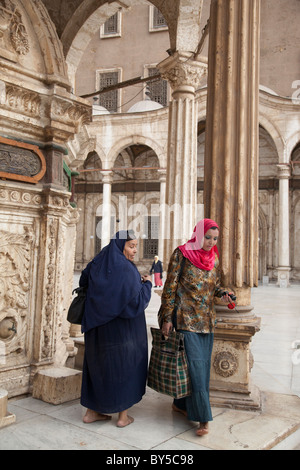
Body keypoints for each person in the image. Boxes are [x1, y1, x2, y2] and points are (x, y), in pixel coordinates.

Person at [158, 219, 233, 436]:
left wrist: (223, 293)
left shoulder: (213, 258)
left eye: (215, 239)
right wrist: (167, 318)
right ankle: (202, 419)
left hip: (207, 322)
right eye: (207, 237)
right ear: (198, 234)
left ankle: (180, 405)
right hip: (185, 320)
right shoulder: (181, 254)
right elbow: (170, 288)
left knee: (193, 368)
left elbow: (214, 287)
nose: (211, 242)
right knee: (197, 369)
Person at [79, 230, 152, 428]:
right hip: (123, 332)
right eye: (131, 246)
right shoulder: (126, 269)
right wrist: (147, 285)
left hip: (96, 328)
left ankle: (91, 412)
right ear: (121, 246)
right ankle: (122, 417)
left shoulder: (98, 261)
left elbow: (83, 281)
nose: (135, 250)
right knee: (125, 368)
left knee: (97, 368)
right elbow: (136, 303)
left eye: (136, 246)